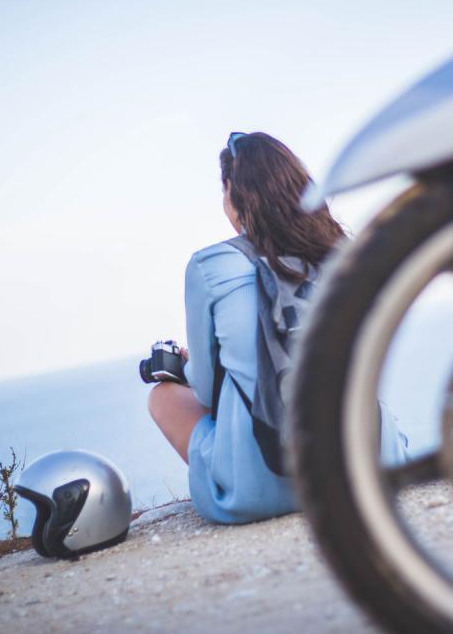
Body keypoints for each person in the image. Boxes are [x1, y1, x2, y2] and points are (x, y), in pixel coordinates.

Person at [148, 132, 346, 524]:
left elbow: (204, 391)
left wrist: (186, 369)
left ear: (235, 197)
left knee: (163, 396)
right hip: (363, 464)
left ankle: (247, 478)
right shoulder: (338, 253)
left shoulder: (211, 265)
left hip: (259, 490)